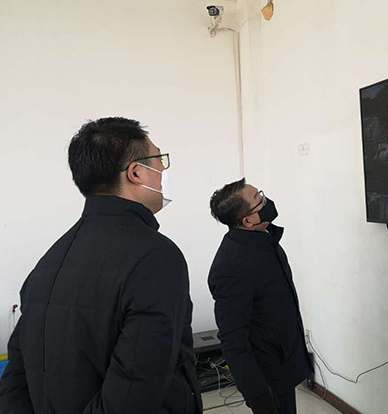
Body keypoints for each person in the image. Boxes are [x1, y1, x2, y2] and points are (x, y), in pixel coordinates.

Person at [0, 117, 202, 414]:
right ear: (136, 172)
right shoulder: (156, 257)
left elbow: (16, 377)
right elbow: (136, 389)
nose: (162, 170)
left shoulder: (50, 260)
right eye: (159, 160)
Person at [208, 179, 311, 414]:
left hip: (283, 362)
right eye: (259, 200)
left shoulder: (265, 241)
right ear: (247, 220)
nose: (266, 201)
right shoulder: (232, 266)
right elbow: (233, 338)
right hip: (267, 377)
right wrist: (257, 395)